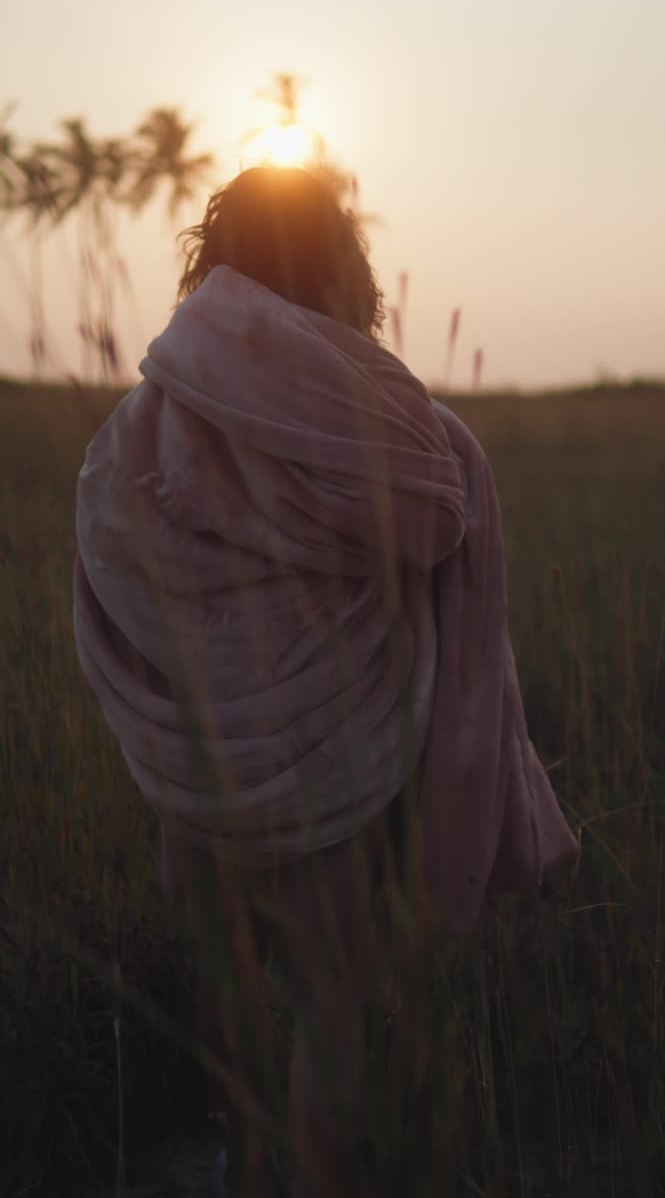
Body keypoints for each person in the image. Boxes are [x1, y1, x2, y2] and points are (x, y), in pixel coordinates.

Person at [74, 166, 578, 1197]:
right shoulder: (399, 429)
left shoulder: (141, 427)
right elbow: (438, 528)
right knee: (333, 1003)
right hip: (336, 771)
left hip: (199, 761)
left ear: (218, 263)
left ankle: (239, 1165)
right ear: (344, 266)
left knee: (232, 984)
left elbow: (114, 562)